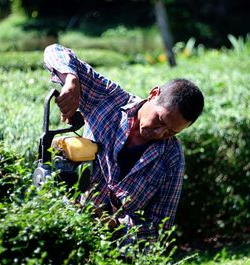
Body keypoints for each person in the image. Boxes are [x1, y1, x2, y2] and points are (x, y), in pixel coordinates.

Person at [43, 44, 204, 243]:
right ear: (154, 94)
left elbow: (159, 229)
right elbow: (54, 51)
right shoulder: (109, 99)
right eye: (161, 120)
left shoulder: (171, 158)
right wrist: (71, 80)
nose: (160, 132)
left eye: (171, 131)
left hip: (112, 250)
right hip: (63, 226)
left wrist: (114, 225)